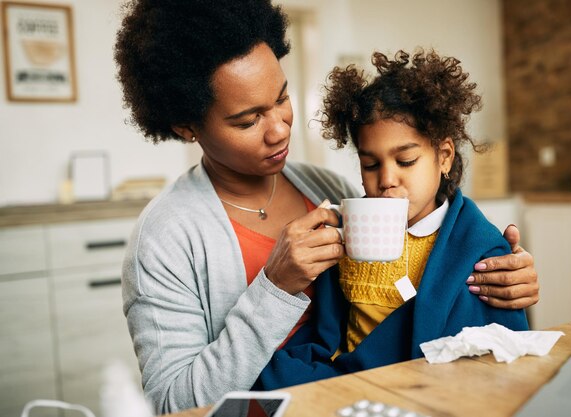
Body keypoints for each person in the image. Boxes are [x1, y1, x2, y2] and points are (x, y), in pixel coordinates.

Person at [114, 0, 539, 413]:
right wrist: (275, 287)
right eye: (248, 120)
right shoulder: (166, 237)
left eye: (281, 98)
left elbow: (429, 264)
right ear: (187, 126)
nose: (280, 130)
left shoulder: (328, 190)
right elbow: (173, 405)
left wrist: (503, 276)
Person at [254, 49, 529, 389]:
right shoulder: (346, 236)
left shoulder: (478, 248)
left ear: (443, 157)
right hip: (350, 389)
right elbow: (327, 330)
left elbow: (498, 347)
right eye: (370, 164)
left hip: (432, 388)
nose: (386, 179)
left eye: (406, 161)